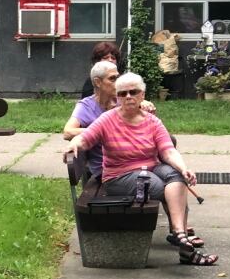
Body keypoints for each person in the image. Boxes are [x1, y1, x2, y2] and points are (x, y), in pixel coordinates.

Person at [64, 72, 217, 266]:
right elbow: (85, 137)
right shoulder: (107, 119)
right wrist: (74, 145)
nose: (128, 96)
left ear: (142, 95)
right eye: (123, 93)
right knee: (161, 187)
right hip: (118, 177)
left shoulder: (152, 122)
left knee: (176, 176)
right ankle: (184, 242)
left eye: (133, 92)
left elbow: (168, 151)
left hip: (149, 168)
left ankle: (180, 234)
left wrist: (184, 168)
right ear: (117, 97)